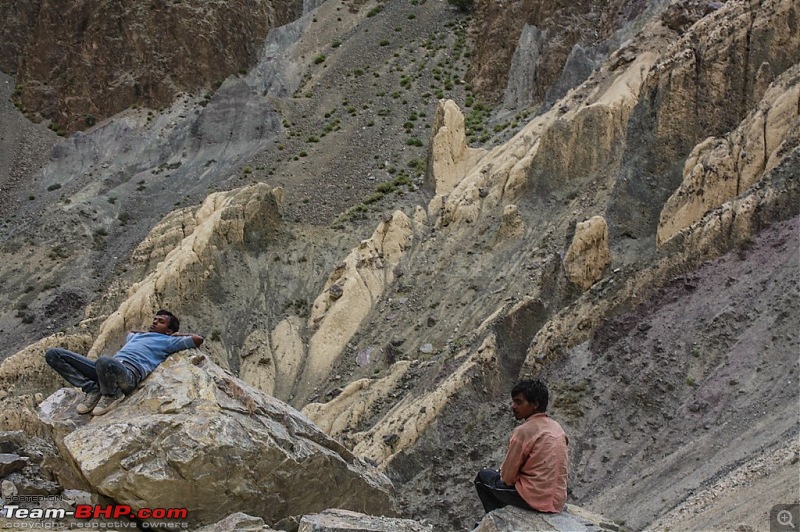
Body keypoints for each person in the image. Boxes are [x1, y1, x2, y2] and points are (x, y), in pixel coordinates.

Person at [45, 310, 204, 416]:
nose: (155, 322)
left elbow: (197, 339)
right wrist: (149, 332)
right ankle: (92, 389)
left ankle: (112, 395)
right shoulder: (137, 336)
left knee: (104, 361)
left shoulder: (169, 341)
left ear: (169, 331)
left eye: (160, 322)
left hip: (128, 375)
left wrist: (175, 334)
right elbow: (131, 332)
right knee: (54, 354)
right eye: (154, 319)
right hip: (106, 370)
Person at [474, 379, 569, 514]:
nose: (513, 406)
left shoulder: (524, 431)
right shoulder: (556, 427)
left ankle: (498, 519)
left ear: (535, 404)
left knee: (483, 478)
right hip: (557, 500)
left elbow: (507, 478)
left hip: (535, 499)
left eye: (518, 402)